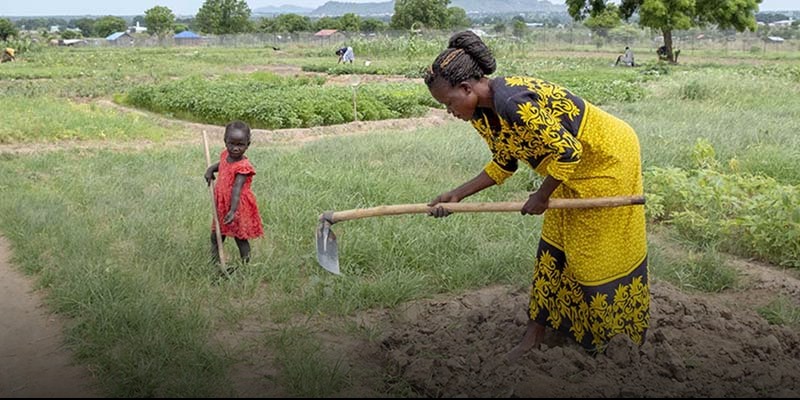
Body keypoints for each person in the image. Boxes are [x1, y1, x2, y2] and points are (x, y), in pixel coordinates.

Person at [423, 31, 649, 360]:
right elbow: (504, 163)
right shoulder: (482, 114)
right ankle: (535, 334)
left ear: (467, 88)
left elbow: (570, 151)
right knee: (553, 248)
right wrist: (457, 195)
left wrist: (542, 197)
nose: (449, 111)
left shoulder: (513, 101)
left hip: (606, 158)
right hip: (568, 168)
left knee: (591, 252)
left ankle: (611, 338)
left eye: (448, 103)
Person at [204, 120, 264, 267]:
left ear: (248, 144)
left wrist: (232, 210)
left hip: (237, 206)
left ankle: (246, 264)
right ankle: (216, 261)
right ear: (225, 141)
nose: (235, 148)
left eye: (240, 145)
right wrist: (211, 169)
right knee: (217, 235)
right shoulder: (225, 155)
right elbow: (222, 165)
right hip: (222, 204)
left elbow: (236, 189)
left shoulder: (243, 167)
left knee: (240, 237)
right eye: (232, 144)